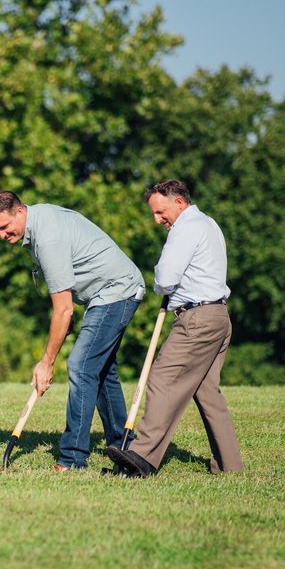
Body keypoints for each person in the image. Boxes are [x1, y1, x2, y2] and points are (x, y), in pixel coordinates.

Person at [0, 191, 145, 471]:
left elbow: (63, 310)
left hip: (117, 290)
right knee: (100, 369)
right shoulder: (38, 221)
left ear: (20, 212)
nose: (1, 235)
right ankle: (124, 447)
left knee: (81, 365)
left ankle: (72, 458)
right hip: (105, 293)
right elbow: (64, 301)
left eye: (4, 227)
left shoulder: (48, 237)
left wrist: (46, 362)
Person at [107, 180, 243, 477]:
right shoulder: (209, 224)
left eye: (161, 212)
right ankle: (230, 466)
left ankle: (140, 457)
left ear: (179, 202)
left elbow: (166, 278)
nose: (158, 220)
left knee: (162, 379)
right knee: (208, 393)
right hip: (219, 316)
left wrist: (158, 283)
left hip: (196, 320)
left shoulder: (185, 228)